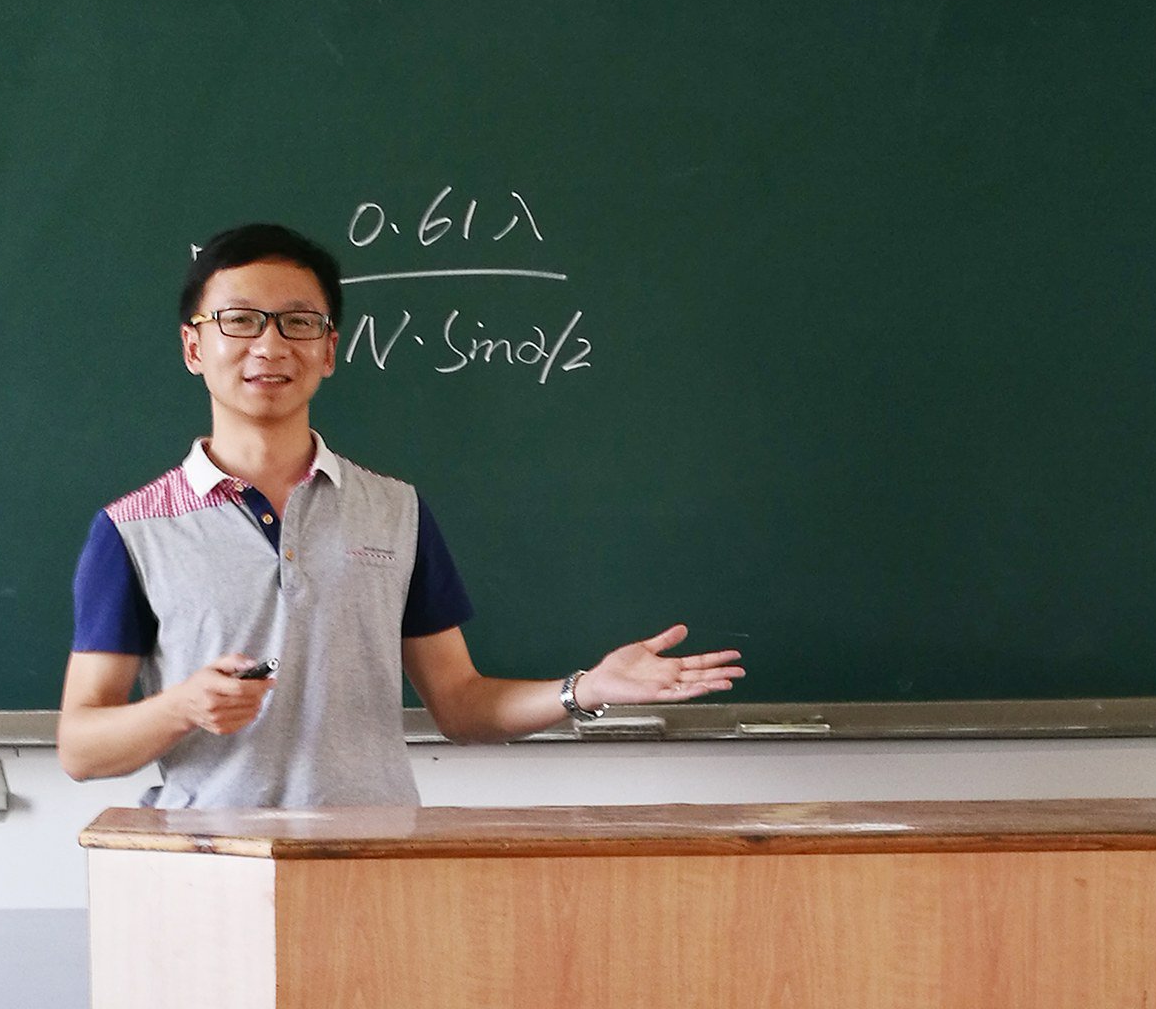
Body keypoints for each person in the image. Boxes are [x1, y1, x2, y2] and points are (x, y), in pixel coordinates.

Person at [57, 223, 745, 807]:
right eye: (239, 320)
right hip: (205, 870)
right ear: (193, 347)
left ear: (329, 350)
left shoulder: (395, 510)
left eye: (299, 322)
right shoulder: (132, 530)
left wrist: (585, 689)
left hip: (375, 862)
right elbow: (81, 748)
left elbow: (461, 704)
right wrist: (180, 707)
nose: (269, 346)